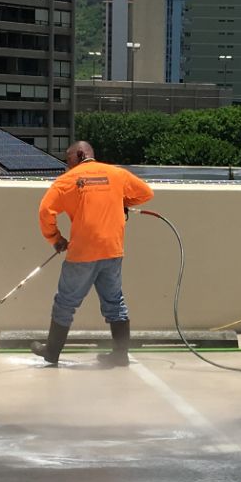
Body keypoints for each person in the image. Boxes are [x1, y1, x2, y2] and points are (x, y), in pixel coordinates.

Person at [33, 140, 155, 367]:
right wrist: (123, 201)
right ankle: (120, 355)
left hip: (82, 254)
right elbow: (146, 193)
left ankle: (51, 352)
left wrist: (56, 239)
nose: (67, 166)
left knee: (66, 303)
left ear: (80, 154)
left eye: (68, 160)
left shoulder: (67, 181)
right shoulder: (116, 174)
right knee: (114, 302)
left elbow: (45, 211)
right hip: (112, 251)